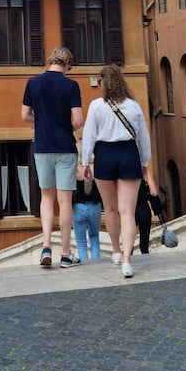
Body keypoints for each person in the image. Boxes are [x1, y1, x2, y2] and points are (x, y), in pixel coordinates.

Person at [81, 64, 157, 279]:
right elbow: (144, 138)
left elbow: (88, 136)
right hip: (128, 155)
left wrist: (86, 162)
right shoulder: (133, 106)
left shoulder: (96, 106)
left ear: (103, 83)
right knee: (128, 212)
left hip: (104, 154)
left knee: (111, 209)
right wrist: (144, 163)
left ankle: (115, 250)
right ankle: (126, 260)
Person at [22, 46, 84, 269]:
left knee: (46, 197)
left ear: (50, 61)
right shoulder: (71, 85)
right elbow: (78, 121)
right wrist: (64, 125)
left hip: (42, 146)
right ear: (67, 64)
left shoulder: (33, 83)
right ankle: (66, 254)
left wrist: (42, 121)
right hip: (65, 147)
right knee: (65, 200)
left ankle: (46, 245)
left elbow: (25, 115)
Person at [72, 159, 103, 260]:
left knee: (81, 242)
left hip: (78, 206)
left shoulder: (74, 168)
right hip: (95, 205)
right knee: (94, 236)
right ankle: (96, 261)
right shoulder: (97, 167)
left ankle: (85, 265)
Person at [135, 178, 163, 254]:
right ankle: (145, 261)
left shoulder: (123, 172)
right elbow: (154, 192)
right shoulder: (144, 172)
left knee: (129, 241)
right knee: (144, 244)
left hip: (129, 210)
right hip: (144, 209)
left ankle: (128, 261)